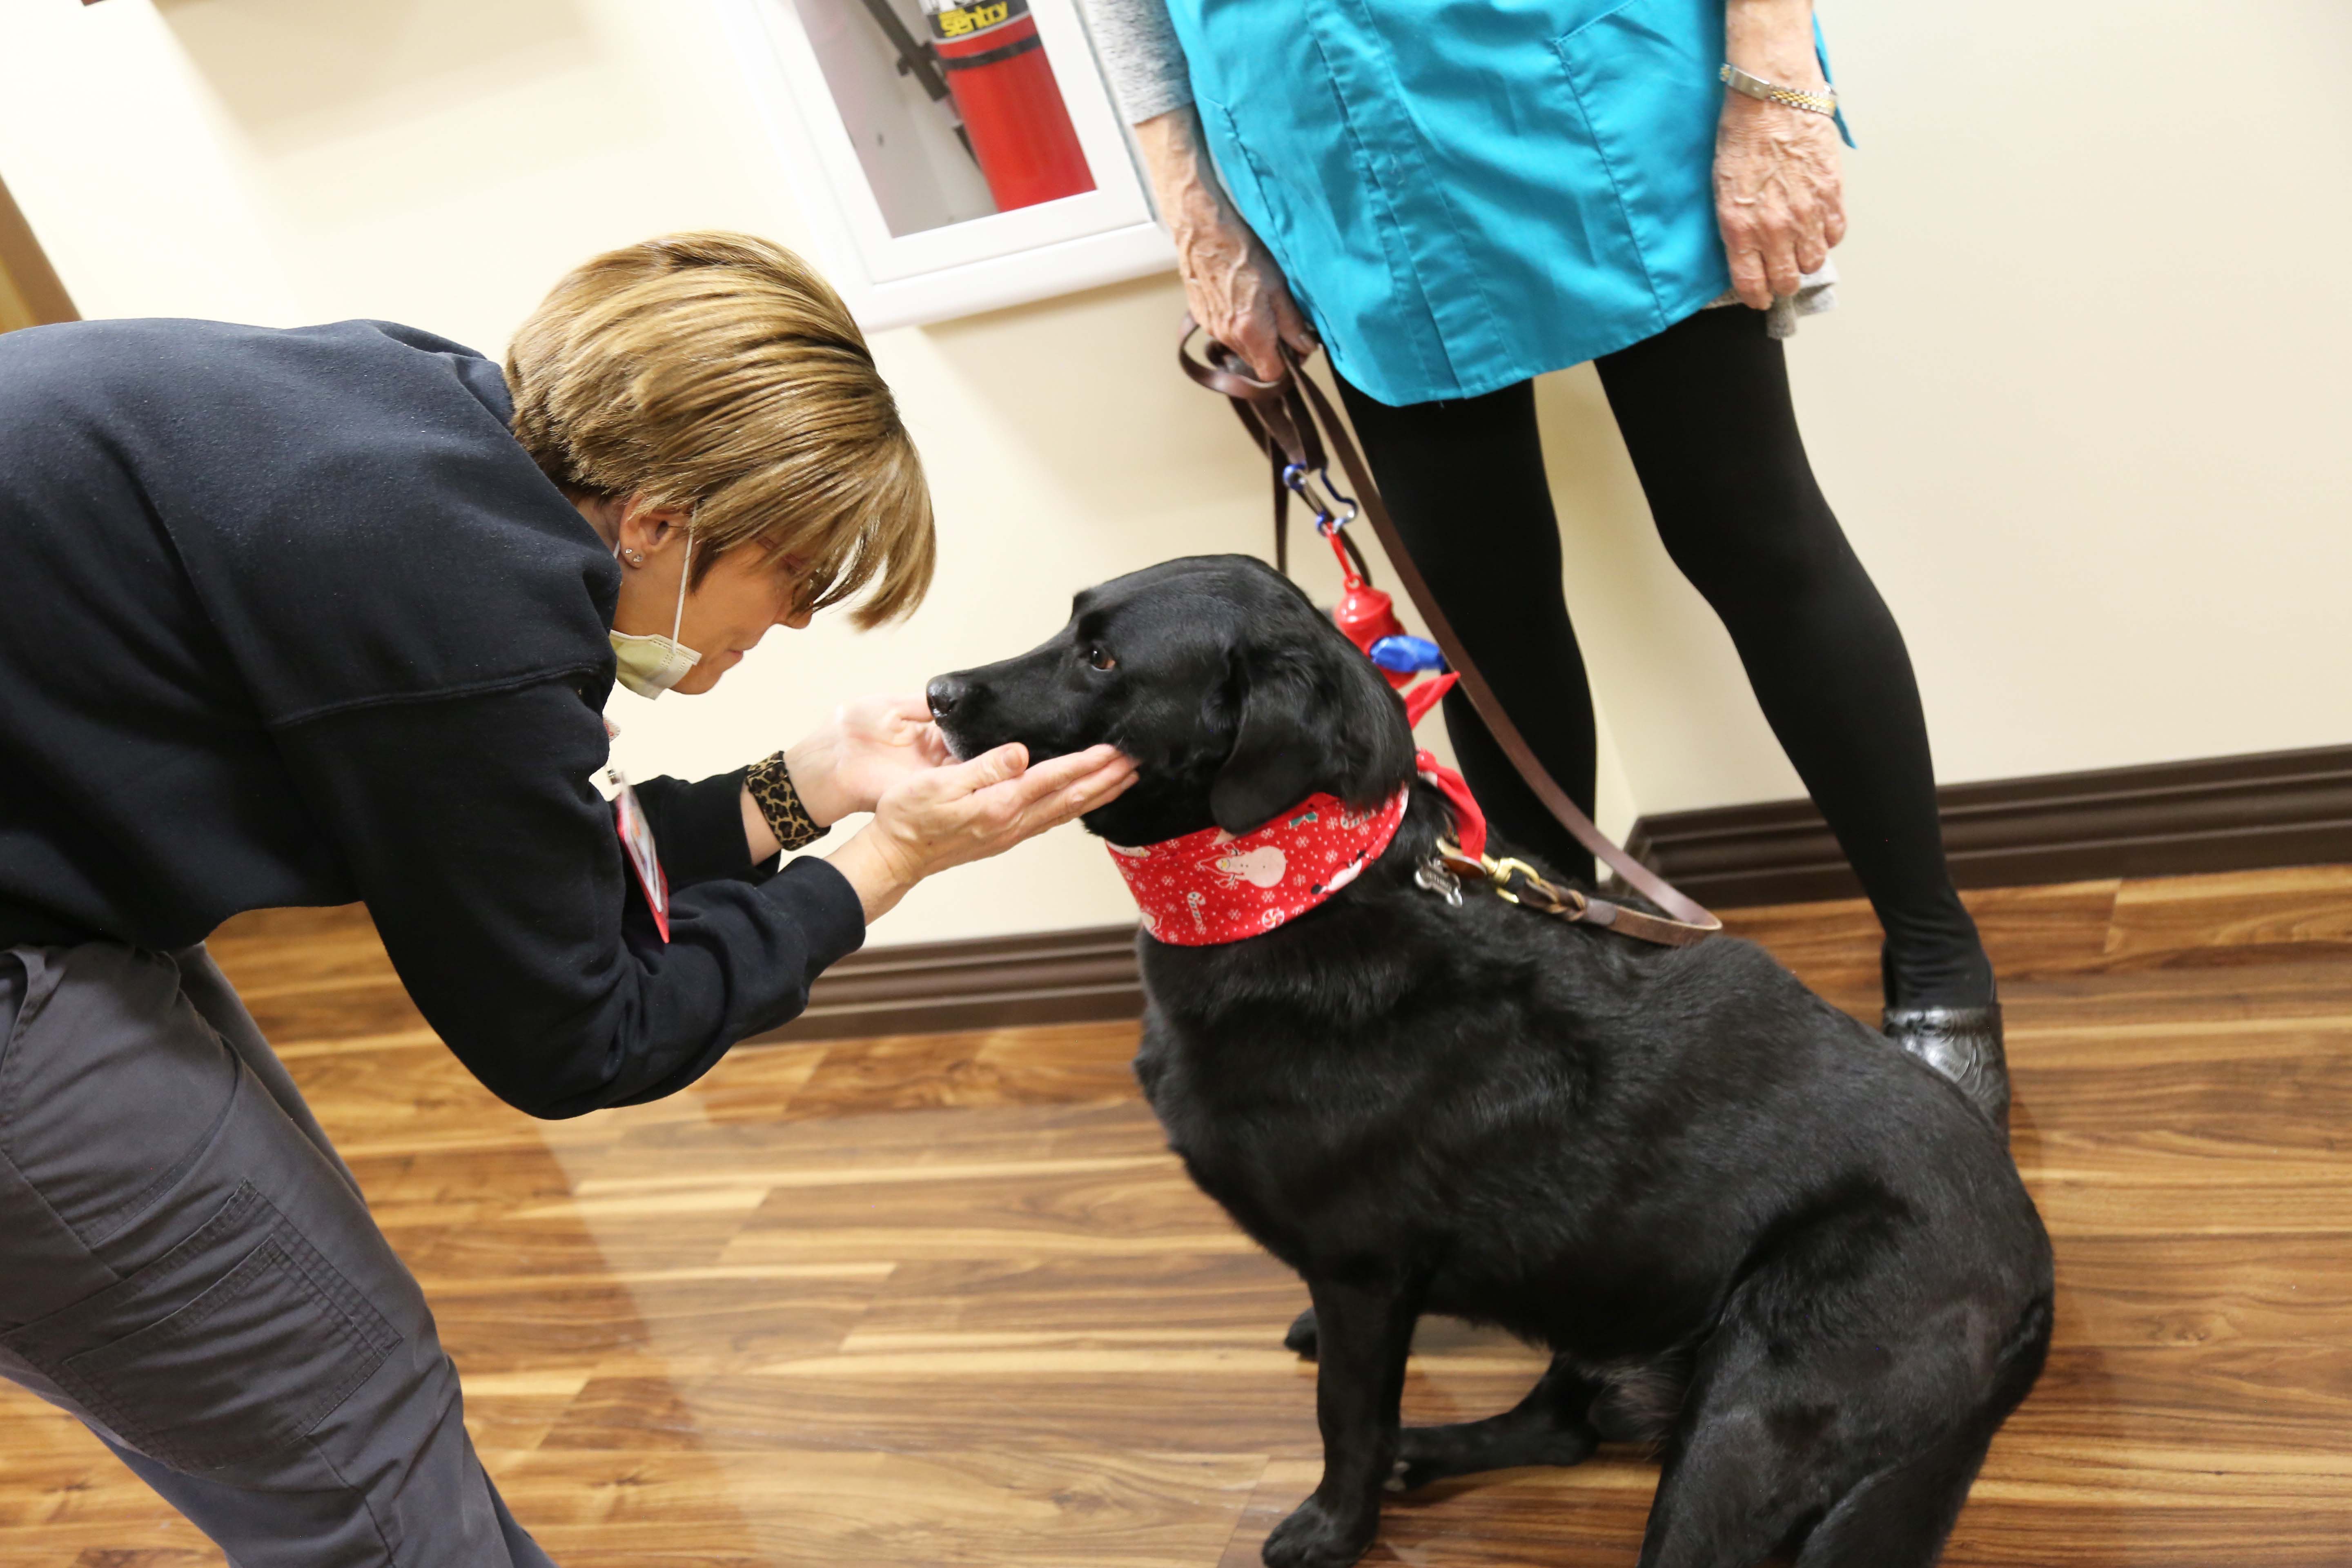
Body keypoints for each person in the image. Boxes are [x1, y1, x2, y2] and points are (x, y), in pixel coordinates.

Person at [0, 231, 1136, 1565]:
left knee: (318, 1403)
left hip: (47, 887)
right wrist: (884, 862)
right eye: (798, 576)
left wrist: (807, 785)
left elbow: (525, 864)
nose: (793, 623)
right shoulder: (460, 602)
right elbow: (584, 1034)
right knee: (359, 1446)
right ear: (661, 523)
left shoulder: (426, 429)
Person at [1083, 0, 2008, 1127]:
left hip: (1587, 68)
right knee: (1483, 619)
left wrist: (1775, 81)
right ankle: (1569, 1000)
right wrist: (1192, 204)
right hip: (1328, 125)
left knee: (1754, 541)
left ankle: (1939, 962)